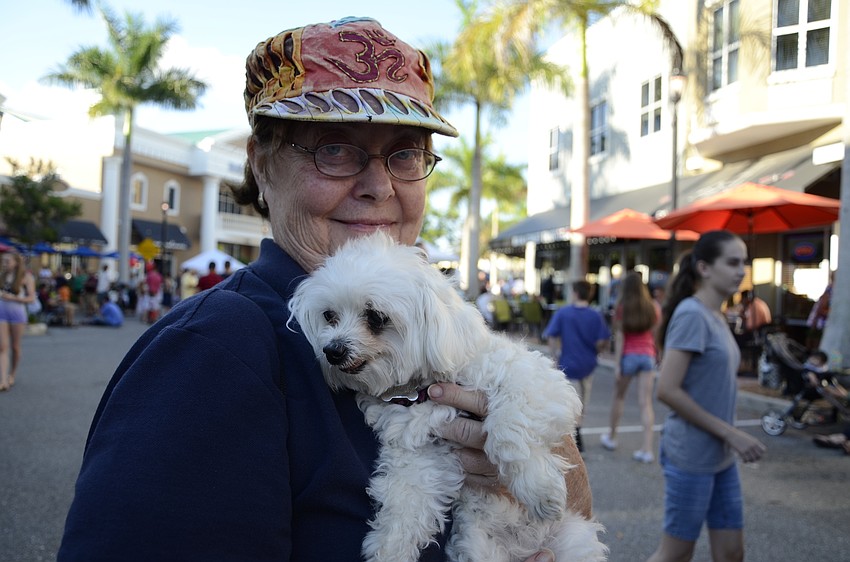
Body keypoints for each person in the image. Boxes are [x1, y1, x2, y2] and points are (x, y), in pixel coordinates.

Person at [57, 18, 590, 562]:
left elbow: (569, 512)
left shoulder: (436, 322)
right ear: (261, 165)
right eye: (334, 148)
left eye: (404, 154)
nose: (379, 185)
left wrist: (556, 473)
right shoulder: (213, 351)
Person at [647, 230, 767, 562]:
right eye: (732, 262)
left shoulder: (716, 314)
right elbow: (667, 390)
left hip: (721, 456)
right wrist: (732, 434)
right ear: (704, 268)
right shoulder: (692, 314)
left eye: (744, 262)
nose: (741, 270)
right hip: (691, 456)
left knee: (731, 553)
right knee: (676, 553)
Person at [543, 280, 611, 452]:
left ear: (574, 292)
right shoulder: (595, 315)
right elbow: (603, 339)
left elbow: (551, 335)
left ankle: (576, 437)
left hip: (569, 362)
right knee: (584, 400)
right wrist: (598, 349)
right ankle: (578, 434)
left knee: (572, 402)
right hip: (588, 363)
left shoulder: (564, 313)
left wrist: (554, 355)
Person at [600, 271, 660, 463]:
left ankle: (612, 436)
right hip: (648, 356)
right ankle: (647, 449)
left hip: (629, 356)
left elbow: (621, 338)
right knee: (646, 403)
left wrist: (618, 364)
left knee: (619, 397)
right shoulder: (653, 307)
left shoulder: (622, 307)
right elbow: (655, 334)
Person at [0, 250, 36, 391]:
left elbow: (31, 298)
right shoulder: (2, 276)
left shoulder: (25, 277)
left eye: (7, 261)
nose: (4, 264)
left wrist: (12, 298)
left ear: (15, 263)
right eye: (3, 261)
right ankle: (3, 380)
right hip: (1, 313)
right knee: (2, 347)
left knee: (15, 347)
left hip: (17, 315)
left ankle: (12, 374)